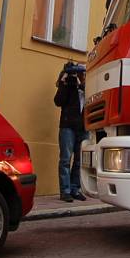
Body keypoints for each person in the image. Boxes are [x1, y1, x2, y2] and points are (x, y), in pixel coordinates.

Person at [53, 62, 88, 202]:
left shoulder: (87, 85)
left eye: (82, 72)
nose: (79, 74)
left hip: (84, 127)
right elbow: (58, 101)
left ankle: (75, 189)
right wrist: (64, 83)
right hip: (68, 126)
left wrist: (83, 82)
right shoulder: (68, 84)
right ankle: (65, 191)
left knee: (80, 161)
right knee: (66, 160)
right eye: (77, 72)